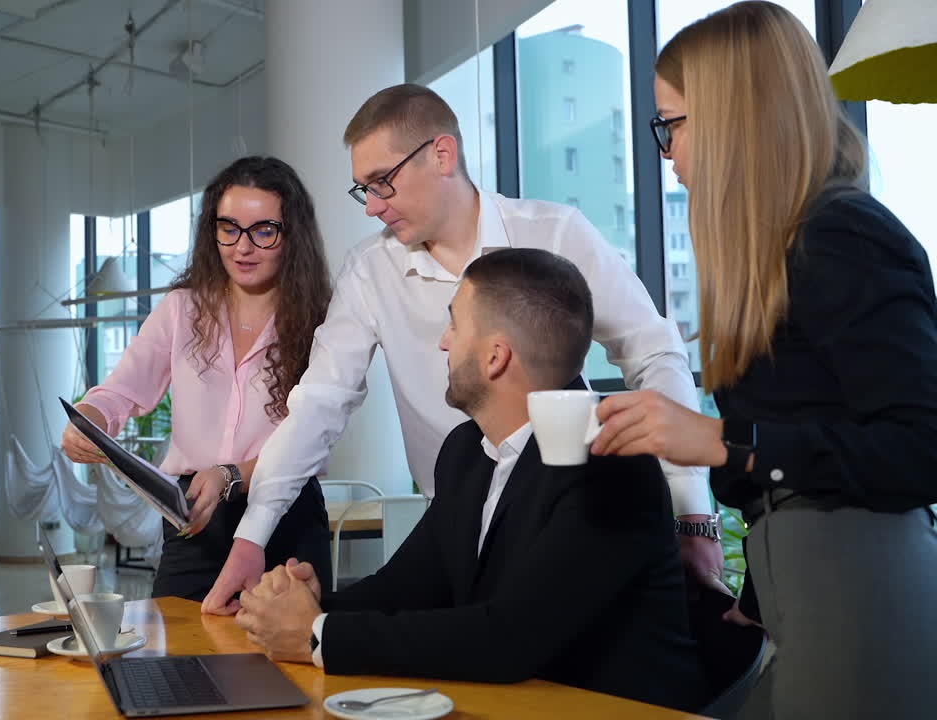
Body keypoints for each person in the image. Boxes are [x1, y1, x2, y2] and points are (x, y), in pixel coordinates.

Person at [204, 83, 723, 614]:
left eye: (383, 182)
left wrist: (690, 510)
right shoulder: (369, 269)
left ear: (442, 154)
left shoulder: (555, 233)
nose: (374, 207)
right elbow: (319, 402)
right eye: (364, 190)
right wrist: (253, 536)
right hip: (452, 526)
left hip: (565, 519)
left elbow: (654, 355)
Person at [588, 3, 937, 717]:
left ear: (733, 117)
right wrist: (758, 593)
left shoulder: (844, 236)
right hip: (806, 590)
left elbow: (921, 449)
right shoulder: (781, 254)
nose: (667, 152)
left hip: (860, 594)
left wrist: (722, 441)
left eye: (671, 124)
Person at [235, 248, 708, 712]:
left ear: (495, 357)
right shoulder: (466, 452)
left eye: (455, 324)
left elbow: (508, 638)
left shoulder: (611, 466)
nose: (443, 342)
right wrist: (312, 604)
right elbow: (407, 588)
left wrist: (317, 635)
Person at [61, 156, 335, 601]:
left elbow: (314, 434)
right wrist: (89, 420)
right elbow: (121, 389)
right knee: (177, 657)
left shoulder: (322, 321)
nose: (242, 247)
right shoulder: (182, 309)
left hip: (288, 513)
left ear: (292, 235)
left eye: (263, 230)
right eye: (229, 228)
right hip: (194, 519)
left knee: (286, 664)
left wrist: (232, 474)